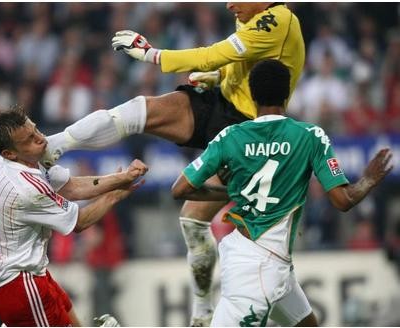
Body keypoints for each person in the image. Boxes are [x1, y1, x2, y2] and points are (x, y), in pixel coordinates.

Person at [42, 4, 305, 325]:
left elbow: (214, 53)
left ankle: (203, 313)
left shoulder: (276, 22)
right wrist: (217, 76)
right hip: (221, 102)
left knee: (193, 220)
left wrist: (152, 55)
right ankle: (55, 144)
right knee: (139, 109)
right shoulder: (249, 17)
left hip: (250, 131)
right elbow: (236, 63)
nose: (228, 5)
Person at [170, 59, 393, 327]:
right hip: (258, 271)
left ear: (252, 95)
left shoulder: (229, 136)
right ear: (288, 93)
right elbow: (343, 201)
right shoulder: (310, 136)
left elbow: (180, 188)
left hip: (261, 258)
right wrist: (367, 180)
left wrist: (229, 192)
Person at [0, 107, 148, 327]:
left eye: (36, 130)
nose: (41, 139)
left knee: (72, 319)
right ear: (10, 153)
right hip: (19, 283)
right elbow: (79, 222)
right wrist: (113, 196)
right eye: (30, 139)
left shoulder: (6, 163)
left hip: (28, 274)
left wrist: (121, 178)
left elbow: (70, 187)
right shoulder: (27, 190)